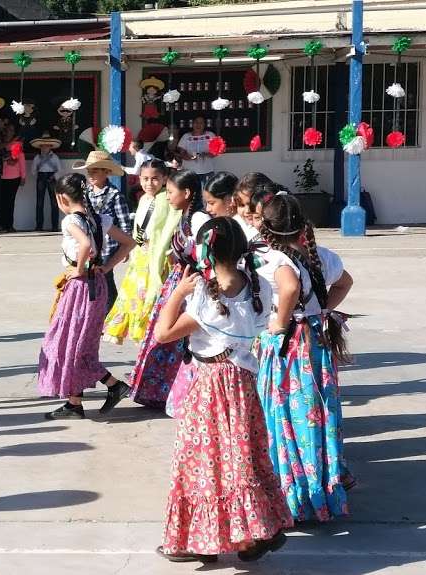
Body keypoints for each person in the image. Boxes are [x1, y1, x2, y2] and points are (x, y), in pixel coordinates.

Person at [155, 216, 291, 563]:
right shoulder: (258, 285)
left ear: (206, 253)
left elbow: (163, 334)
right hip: (243, 382)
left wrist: (178, 293)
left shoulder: (204, 293)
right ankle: (255, 530)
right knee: (242, 457)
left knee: (202, 461)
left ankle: (203, 538)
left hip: (211, 384)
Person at [253, 192, 355, 522]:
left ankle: (293, 497)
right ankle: (324, 486)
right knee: (317, 415)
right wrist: (321, 310)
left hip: (287, 348)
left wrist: (279, 321)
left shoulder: (274, 259)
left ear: (267, 227)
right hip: (315, 343)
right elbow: (346, 282)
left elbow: (290, 288)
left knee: (283, 420)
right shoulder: (320, 254)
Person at [37, 173, 136, 420]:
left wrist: (79, 268)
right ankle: (75, 402)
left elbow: (85, 246)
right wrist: (108, 265)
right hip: (97, 284)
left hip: (81, 287)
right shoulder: (98, 218)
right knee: (79, 343)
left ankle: (112, 384)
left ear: (61, 198)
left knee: (66, 344)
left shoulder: (71, 220)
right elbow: (129, 243)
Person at [128, 170, 209, 410]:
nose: (168, 197)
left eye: (171, 192)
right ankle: (157, 392)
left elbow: (203, 257)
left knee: (176, 339)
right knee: (163, 338)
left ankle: (175, 392)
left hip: (189, 284)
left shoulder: (198, 220)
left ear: (187, 193)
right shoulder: (184, 216)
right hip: (177, 282)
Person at [104, 159, 181, 345]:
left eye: (155, 179)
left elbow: (170, 228)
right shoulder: (144, 199)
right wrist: (132, 248)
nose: (149, 183)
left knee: (151, 296)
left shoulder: (166, 199)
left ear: (164, 179)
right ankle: (139, 333)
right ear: (139, 178)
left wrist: (163, 250)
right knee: (135, 295)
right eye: (145, 178)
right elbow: (139, 227)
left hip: (158, 256)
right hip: (141, 255)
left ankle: (151, 333)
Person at [72, 150, 132, 313]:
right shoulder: (86, 192)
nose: (90, 174)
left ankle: (109, 311)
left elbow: (124, 221)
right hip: (91, 243)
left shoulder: (115, 195)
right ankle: (96, 309)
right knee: (91, 276)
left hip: (109, 245)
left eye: (95, 170)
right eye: (89, 170)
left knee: (105, 277)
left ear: (106, 172)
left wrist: (124, 246)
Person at [0, 122, 26, 233]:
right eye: (7, 130)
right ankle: (1, 225)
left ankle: (9, 225)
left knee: (10, 202)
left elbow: (21, 159)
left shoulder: (17, 143)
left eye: (12, 130)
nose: (9, 132)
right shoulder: (1, 143)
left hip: (15, 177)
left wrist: (23, 177)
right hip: (1, 176)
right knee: (1, 202)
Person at [30, 132, 61, 232]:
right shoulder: (37, 158)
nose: (45, 148)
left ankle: (55, 226)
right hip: (41, 177)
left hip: (52, 178)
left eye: (47, 146)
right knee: (39, 202)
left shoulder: (55, 157)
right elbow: (33, 171)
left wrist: (54, 176)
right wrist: (38, 168)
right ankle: (39, 226)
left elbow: (60, 170)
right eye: (43, 146)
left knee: (54, 202)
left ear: (50, 146)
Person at [177, 116, 217, 193]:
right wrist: (189, 157)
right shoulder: (186, 136)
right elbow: (181, 153)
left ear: (204, 124)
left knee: (207, 194)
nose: (198, 125)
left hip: (207, 171)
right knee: (192, 195)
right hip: (190, 172)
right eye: (196, 122)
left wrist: (207, 154)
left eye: (201, 123)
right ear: (192, 124)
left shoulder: (210, 135)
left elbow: (216, 152)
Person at [235, 172, 272, 241]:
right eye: (241, 205)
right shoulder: (236, 228)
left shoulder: (278, 231)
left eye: (252, 204)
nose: (247, 211)